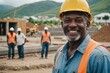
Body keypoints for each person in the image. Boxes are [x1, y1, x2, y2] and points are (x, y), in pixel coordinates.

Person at [52, 0, 110, 73]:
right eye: (67, 20)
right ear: (62, 24)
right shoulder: (59, 53)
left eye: (78, 20)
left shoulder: (99, 57)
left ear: (88, 24)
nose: (72, 25)